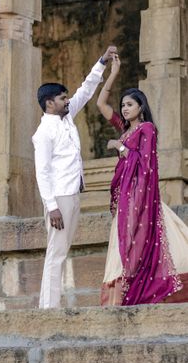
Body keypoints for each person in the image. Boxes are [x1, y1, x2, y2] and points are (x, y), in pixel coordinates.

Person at [97, 54, 188, 305]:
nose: (125, 108)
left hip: (139, 197)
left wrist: (120, 147)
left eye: (129, 104)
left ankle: (135, 290)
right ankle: (125, 290)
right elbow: (101, 105)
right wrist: (113, 72)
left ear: (140, 106)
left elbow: (146, 164)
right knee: (123, 246)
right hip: (126, 198)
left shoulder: (146, 129)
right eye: (123, 105)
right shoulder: (126, 129)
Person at [32, 46, 117, 309]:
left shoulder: (67, 118)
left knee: (60, 251)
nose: (67, 101)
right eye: (62, 98)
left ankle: (49, 306)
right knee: (56, 253)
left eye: (66, 98)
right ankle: (48, 308)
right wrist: (52, 206)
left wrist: (101, 62)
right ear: (50, 103)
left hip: (72, 193)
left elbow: (86, 90)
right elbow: (42, 171)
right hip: (59, 198)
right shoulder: (44, 132)